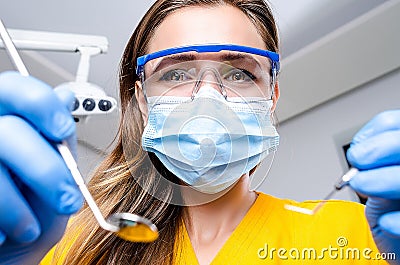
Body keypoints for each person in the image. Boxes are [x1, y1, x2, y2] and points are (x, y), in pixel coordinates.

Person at [0, 0, 399, 264]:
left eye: (240, 73)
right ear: (142, 99)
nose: (209, 97)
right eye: (175, 73)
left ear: (270, 96)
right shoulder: (69, 244)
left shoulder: (361, 237)